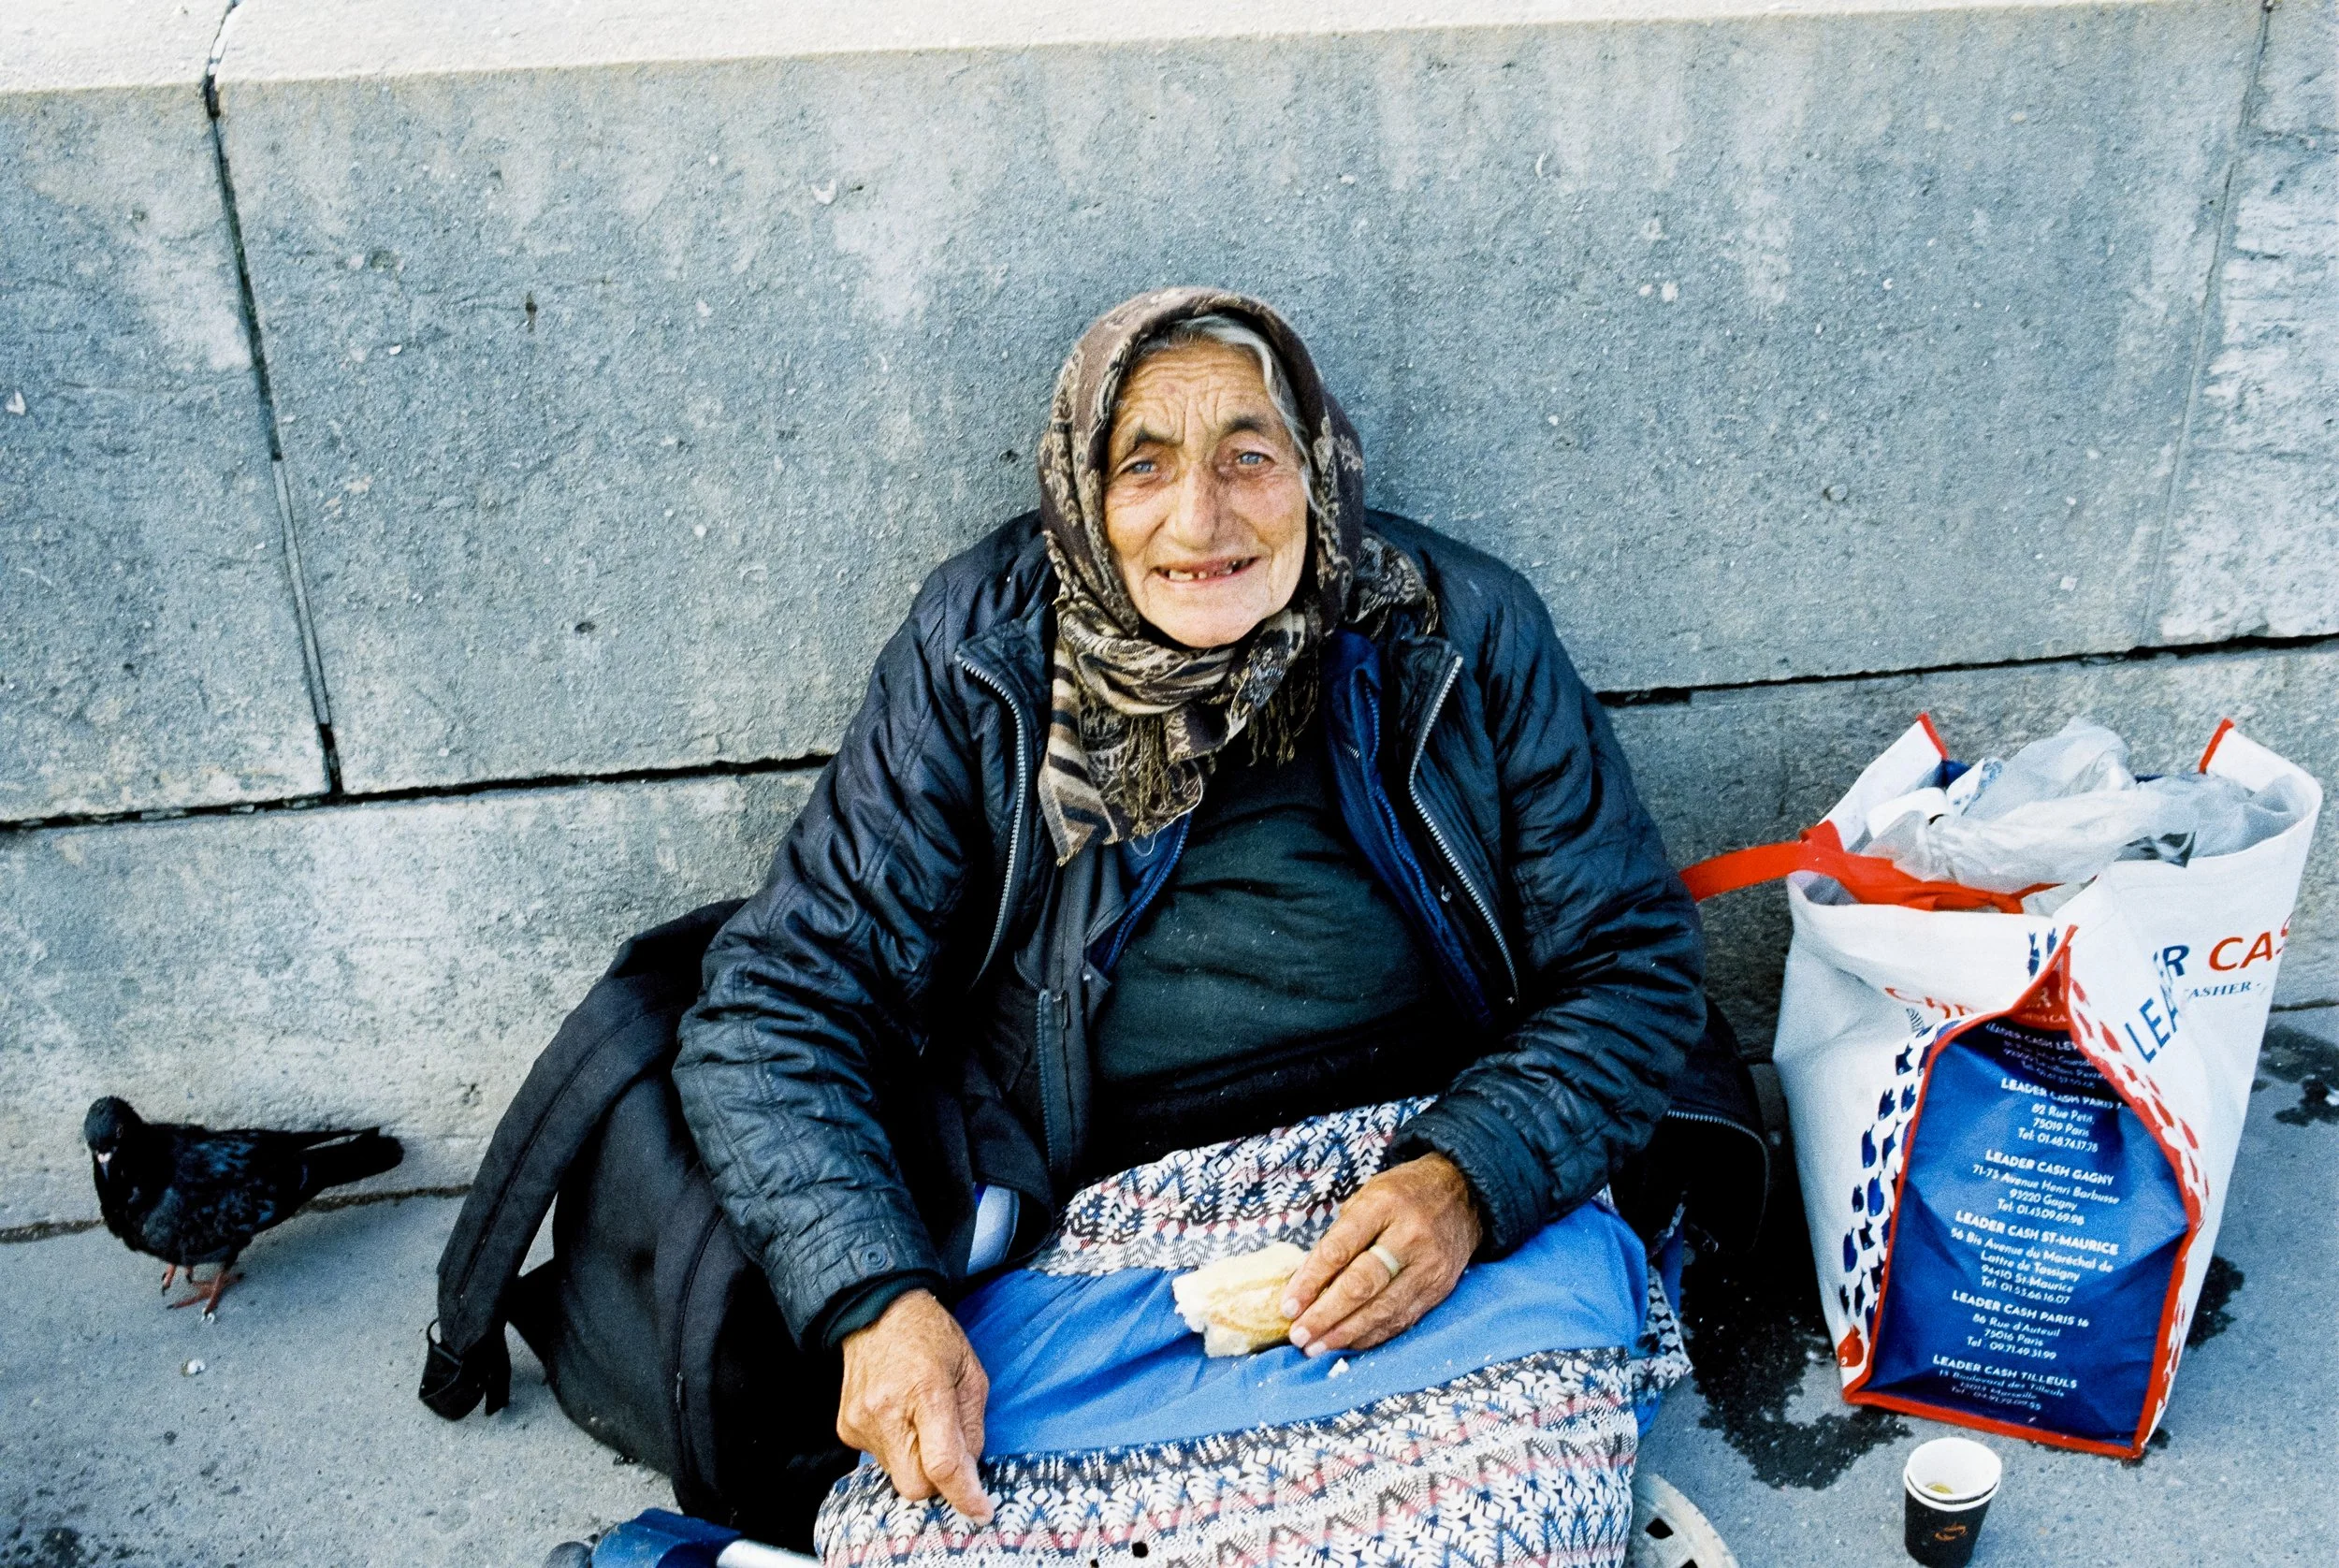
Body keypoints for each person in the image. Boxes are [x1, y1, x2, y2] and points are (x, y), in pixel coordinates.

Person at [674, 287, 1745, 1528]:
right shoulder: (985, 653)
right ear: (1081, 493)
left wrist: (1469, 1179)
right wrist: (875, 1302)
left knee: (1493, 1527)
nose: (1201, 520)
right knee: (942, 1526)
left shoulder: (1454, 628)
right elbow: (779, 1004)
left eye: (1249, 457)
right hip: (1096, 1218)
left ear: (1317, 470)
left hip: (1421, 1169)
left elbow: (1629, 964)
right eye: (1144, 467)